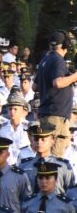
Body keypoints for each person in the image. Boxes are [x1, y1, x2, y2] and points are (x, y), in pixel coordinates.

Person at [34, 30, 77, 158]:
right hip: (56, 116)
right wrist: (75, 76)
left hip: (46, 114)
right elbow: (58, 83)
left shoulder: (45, 60)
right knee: (54, 160)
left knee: (45, 156)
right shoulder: (58, 60)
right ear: (65, 45)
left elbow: (35, 86)